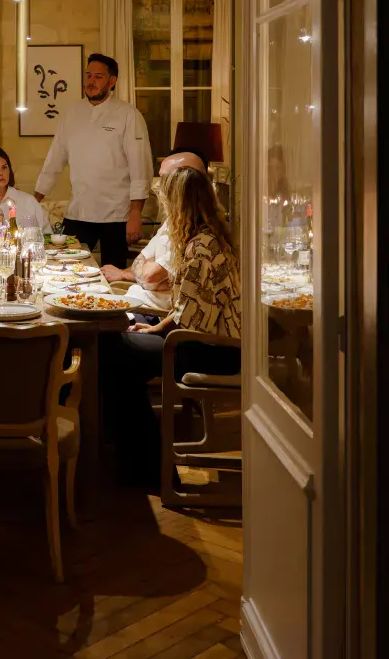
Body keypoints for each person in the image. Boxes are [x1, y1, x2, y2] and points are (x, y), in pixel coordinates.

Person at [103, 164, 241, 485]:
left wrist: (151, 331)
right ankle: (138, 459)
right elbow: (185, 310)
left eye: (167, 202)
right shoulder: (205, 237)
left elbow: (188, 322)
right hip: (201, 340)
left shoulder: (202, 247)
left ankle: (151, 469)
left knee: (116, 349)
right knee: (118, 350)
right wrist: (151, 330)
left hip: (216, 350)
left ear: (179, 204)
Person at [34, 53, 153, 267]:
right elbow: (54, 160)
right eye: (88, 75)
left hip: (117, 215)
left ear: (112, 81)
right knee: (65, 269)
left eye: (98, 76)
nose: (91, 81)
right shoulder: (71, 113)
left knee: (113, 276)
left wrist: (136, 213)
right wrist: (35, 199)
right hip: (79, 211)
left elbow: (140, 167)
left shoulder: (128, 115)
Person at [101, 150, 209, 314]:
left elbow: (150, 276)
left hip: (155, 316)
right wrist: (141, 273)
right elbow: (141, 261)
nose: (158, 187)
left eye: (164, 179)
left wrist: (145, 273)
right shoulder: (173, 221)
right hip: (141, 303)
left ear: (185, 183)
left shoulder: (199, 235)